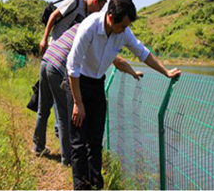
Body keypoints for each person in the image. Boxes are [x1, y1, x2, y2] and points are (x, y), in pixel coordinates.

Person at [66, 0, 182, 190]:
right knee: (79, 142)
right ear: (110, 17)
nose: (124, 30)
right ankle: (81, 186)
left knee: (95, 140)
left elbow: (143, 53)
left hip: (96, 84)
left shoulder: (123, 32)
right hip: (78, 84)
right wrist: (78, 103)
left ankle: (96, 183)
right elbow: (72, 67)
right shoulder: (90, 27)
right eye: (122, 25)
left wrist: (165, 72)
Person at [36, 22, 143, 166]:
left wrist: (132, 72)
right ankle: (67, 159)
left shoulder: (77, 27)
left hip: (46, 60)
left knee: (43, 107)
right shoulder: (89, 33)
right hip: (58, 67)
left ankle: (38, 146)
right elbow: (118, 61)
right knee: (64, 114)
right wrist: (133, 72)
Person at [33, 0, 107, 156]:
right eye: (100, 7)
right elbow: (53, 16)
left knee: (46, 106)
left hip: (53, 60)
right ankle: (67, 156)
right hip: (57, 58)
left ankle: (39, 146)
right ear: (95, 1)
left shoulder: (88, 17)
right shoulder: (74, 3)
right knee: (62, 111)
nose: (99, 12)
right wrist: (44, 38)